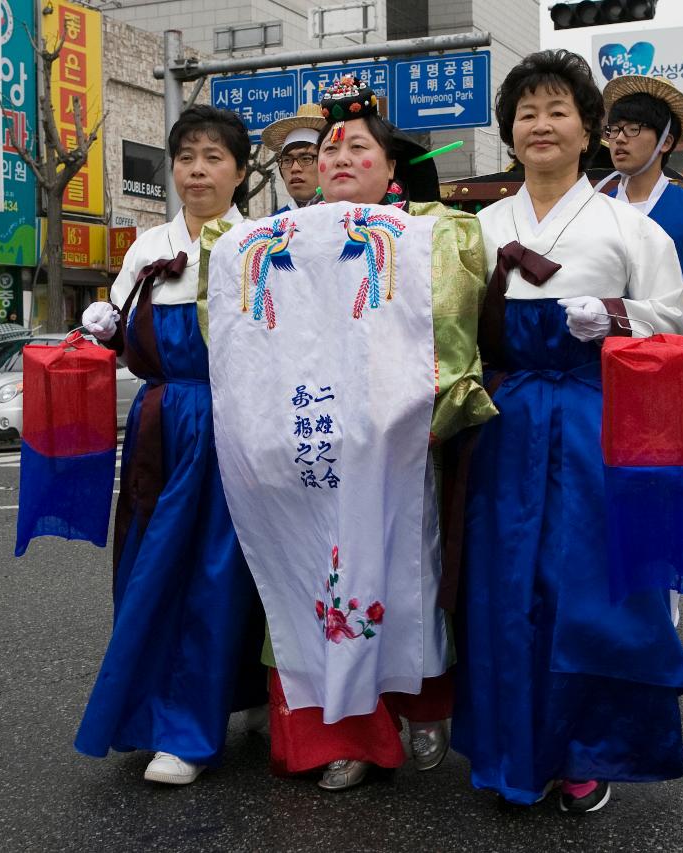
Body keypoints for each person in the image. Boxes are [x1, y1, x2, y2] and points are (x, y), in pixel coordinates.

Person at [455, 49, 683, 815]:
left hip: (596, 425)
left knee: (587, 592)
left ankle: (587, 751)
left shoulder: (631, 230)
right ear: (509, 132)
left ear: (589, 128)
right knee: (502, 589)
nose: (541, 124)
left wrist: (616, 318)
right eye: (526, 112)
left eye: (558, 109)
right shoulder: (478, 227)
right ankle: (510, 749)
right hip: (501, 425)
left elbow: (676, 328)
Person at [243, 76, 491, 793]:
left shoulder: (434, 230)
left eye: (357, 146)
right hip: (310, 441)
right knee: (308, 582)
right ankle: (342, 733)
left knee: (404, 570)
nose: (338, 156)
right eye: (328, 148)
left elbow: (448, 325)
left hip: (396, 441)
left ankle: (421, 704)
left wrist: (414, 413)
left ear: (390, 167)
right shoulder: (271, 239)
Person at [74, 105, 266, 786]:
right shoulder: (148, 245)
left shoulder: (260, 244)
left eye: (214, 157)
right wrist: (100, 322)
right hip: (159, 424)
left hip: (233, 426)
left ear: (241, 171)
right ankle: (156, 710)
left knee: (221, 574)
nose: (197, 170)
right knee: (147, 568)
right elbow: (115, 325)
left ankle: (191, 727)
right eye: (186, 156)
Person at [602, 74, 683, 424]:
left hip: (668, 365)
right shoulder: (594, 208)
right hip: (599, 367)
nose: (619, 139)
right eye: (613, 130)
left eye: (633, 129)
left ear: (665, 141)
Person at [261, 103, 324, 212]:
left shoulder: (348, 219)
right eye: (287, 160)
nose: (295, 168)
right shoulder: (270, 226)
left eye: (306, 158)